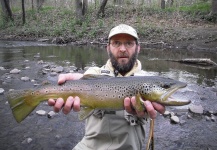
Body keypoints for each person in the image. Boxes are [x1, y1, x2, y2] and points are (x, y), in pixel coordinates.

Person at [48, 24, 165, 150]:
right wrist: (74, 84)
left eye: (129, 43)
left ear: (138, 48)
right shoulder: (94, 73)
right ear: (108, 48)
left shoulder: (149, 81)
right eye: (116, 43)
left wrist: (147, 112)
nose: (122, 49)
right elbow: (85, 78)